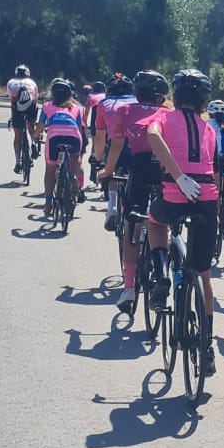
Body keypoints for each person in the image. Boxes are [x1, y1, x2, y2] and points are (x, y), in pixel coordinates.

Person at [145, 68, 220, 377]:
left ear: (175, 96)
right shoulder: (210, 129)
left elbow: (152, 137)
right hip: (207, 197)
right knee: (203, 273)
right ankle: (207, 346)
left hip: (176, 194)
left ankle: (161, 274)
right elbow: (213, 167)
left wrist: (177, 175)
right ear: (204, 103)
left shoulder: (163, 118)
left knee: (154, 221)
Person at [98, 69, 168, 318]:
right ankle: (161, 269)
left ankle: (128, 288)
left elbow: (116, 145)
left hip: (139, 168)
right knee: (161, 221)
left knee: (131, 226)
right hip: (162, 169)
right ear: (161, 97)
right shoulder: (168, 114)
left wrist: (107, 171)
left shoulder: (124, 111)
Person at [38, 79, 86, 216]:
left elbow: (40, 126)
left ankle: (48, 203)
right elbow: (79, 127)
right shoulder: (78, 107)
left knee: (50, 169)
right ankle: (73, 178)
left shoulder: (47, 106)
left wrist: (36, 136)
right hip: (74, 137)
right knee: (74, 159)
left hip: (54, 137)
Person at [97, 73, 136, 232]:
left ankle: (112, 206)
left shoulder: (103, 103)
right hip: (137, 145)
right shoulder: (137, 102)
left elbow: (99, 136)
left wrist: (97, 158)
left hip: (116, 145)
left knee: (111, 171)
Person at [6, 64, 40, 171]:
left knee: (18, 134)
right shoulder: (32, 83)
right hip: (31, 108)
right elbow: (36, 97)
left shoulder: (11, 82)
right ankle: (33, 142)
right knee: (31, 126)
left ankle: (17, 162)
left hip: (17, 109)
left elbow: (10, 98)